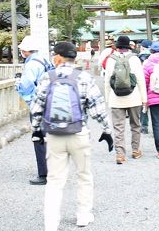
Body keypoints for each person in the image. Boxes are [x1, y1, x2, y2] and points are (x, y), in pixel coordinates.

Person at [30, 41, 113, 231]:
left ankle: (51, 223)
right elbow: (97, 106)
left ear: (58, 57)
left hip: (54, 136)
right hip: (79, 133)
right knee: (84, 175)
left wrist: (36, 130)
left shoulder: (47, 77)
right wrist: (106, 130)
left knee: (55, 180)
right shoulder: (83, 77)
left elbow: (36, 107)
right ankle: (83, 216)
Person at [103, 35, 147, 164]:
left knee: (118, 127)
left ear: (117, 46)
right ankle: (135, 150)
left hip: (116, 98)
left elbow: (107, 81)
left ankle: (120, 155)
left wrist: (107, 98)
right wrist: (144, 98)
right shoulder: (135, 59)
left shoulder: (110, 60)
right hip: (134, 97)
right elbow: (140, 80)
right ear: (129, 46)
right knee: (135, 125)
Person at [15, 35, 52, 185]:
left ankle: (44, 175)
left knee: (39, 138)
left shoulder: (31, 65)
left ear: (25, 51)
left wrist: (17, 82)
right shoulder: (44, 60)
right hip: (50, 101)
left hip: (39, 104)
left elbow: (26, 86)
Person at [138, 38, 153, 134]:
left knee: (143, 105)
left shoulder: (139, 58)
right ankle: (156, 125)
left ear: (143, 47)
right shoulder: (155, 57)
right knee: (155, 107)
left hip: (143, 83)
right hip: (154, 85)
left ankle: (144, 126)